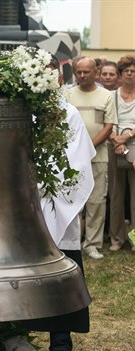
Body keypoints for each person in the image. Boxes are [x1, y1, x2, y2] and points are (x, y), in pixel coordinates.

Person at [23, 56, 95, 351]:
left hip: (56, 203)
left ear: (59, 79)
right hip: (24, 204)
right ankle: (12, 332)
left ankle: (60, 339)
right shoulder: (20, 112)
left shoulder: (69, 114)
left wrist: (45, 185)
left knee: (61, 270)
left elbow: (77, 162)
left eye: (49, 75)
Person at [66, 56, 117, 259]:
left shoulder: (106, 96)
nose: (82, 75)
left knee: (96, 201)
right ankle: (72, 242)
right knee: (73, 200)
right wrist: (78, 149)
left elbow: (109, 125)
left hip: (98, 156)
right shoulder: (67, 95)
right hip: (71, 157)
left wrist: (89, 147)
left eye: (87, 72)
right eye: (79, 72)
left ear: (96, 73)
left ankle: (92, 244)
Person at [107, 55, 135, 252]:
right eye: (127, 71)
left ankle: (134, 239)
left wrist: (127, 137)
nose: (130, 75)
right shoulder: (112, 96)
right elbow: (107, 120)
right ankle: (116, 238)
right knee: (116, 194)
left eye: (134, 72)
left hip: (134, 145)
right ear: (121, 75)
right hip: (114, 145)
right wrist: (116, 139)